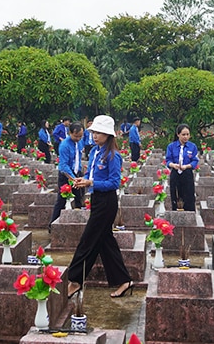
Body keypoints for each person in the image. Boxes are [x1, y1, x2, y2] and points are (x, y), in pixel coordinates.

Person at [66, 115, 133, 299]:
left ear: (108, 135)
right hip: (96, 200)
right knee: (105, 243)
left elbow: (114, 183)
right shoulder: (95, 152)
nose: (95, 135)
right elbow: (90, 172)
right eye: (94, 132)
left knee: (88, 241)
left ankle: (75, 280)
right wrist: (84, 180)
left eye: (99, 132)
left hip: (107, 202)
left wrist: (91, 182)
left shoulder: (113, 156)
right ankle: (124, 280)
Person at [49, 122, 85, 230]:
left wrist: (80, 171)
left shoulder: (79, 142)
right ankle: (52, 225)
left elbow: (78, 158)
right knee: (61, 199)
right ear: (70, 133)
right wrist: (72, 178)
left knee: (79, 198)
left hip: (77, 173)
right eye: (76, 136)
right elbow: (64, 165)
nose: (78, 138)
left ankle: (79, 222)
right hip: (66, 175)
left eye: (80, 136)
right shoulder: (64, 145)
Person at [165, 123, 199, 211]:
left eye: (187, 134)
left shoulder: (192, 146)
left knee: (189, 196)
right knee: (175, 195)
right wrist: (173, 165)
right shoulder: (171, 146)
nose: (185, 137)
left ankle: (190, 215)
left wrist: (187, 166)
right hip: (175, 173)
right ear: (178, 134)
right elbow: (168, 160)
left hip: (187, 173)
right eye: (183, 134)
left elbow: (195, 160)